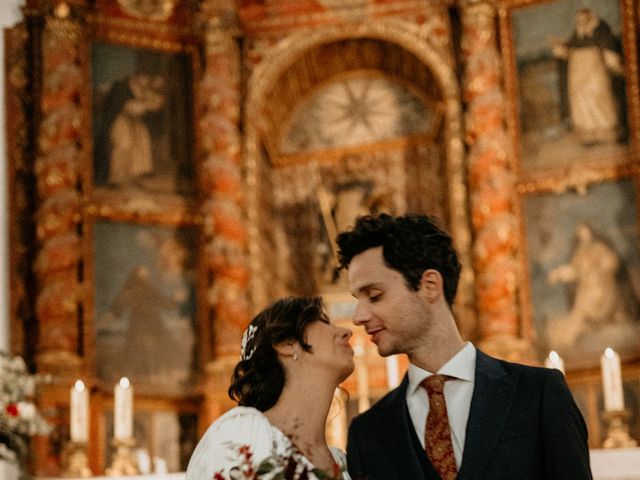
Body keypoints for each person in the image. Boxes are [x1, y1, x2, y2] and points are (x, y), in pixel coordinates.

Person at [336, 214, 592, 480]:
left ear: (430, 286)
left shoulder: (539, 394)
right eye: (358, 299)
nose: (358, 316)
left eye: (374, 296)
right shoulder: (367, 433)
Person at [186, 297, 354, 480]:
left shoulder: (344, 464)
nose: (347, 332)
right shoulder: (244, 434)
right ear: (287, 344)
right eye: (323, 322)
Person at [547, 222, 640, 349]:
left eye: (585, 232)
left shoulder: (599, 248)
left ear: (590, 233)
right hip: (585, 288)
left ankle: (571, 335)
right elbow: (574, 270)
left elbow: (612, 262)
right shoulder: (580, 251)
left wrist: (600, 271)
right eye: (580, 234)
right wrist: (558, 274)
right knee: (579, 311)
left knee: (584, 308)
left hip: (601, 288)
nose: (583, 236)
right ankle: (567, 338)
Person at [551, 8, 625, 146]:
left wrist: (612, 60)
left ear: (589, 17)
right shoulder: (577, 33)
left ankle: (606, 132)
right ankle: (589, 136)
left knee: (598, 96)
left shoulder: (600, 28)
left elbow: (607, 44)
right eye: (579, 20)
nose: (581, 22)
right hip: (578, 71)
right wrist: (560, 47)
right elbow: (571, 47)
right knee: (580, 100)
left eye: (584, 19)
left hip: (594, 69)